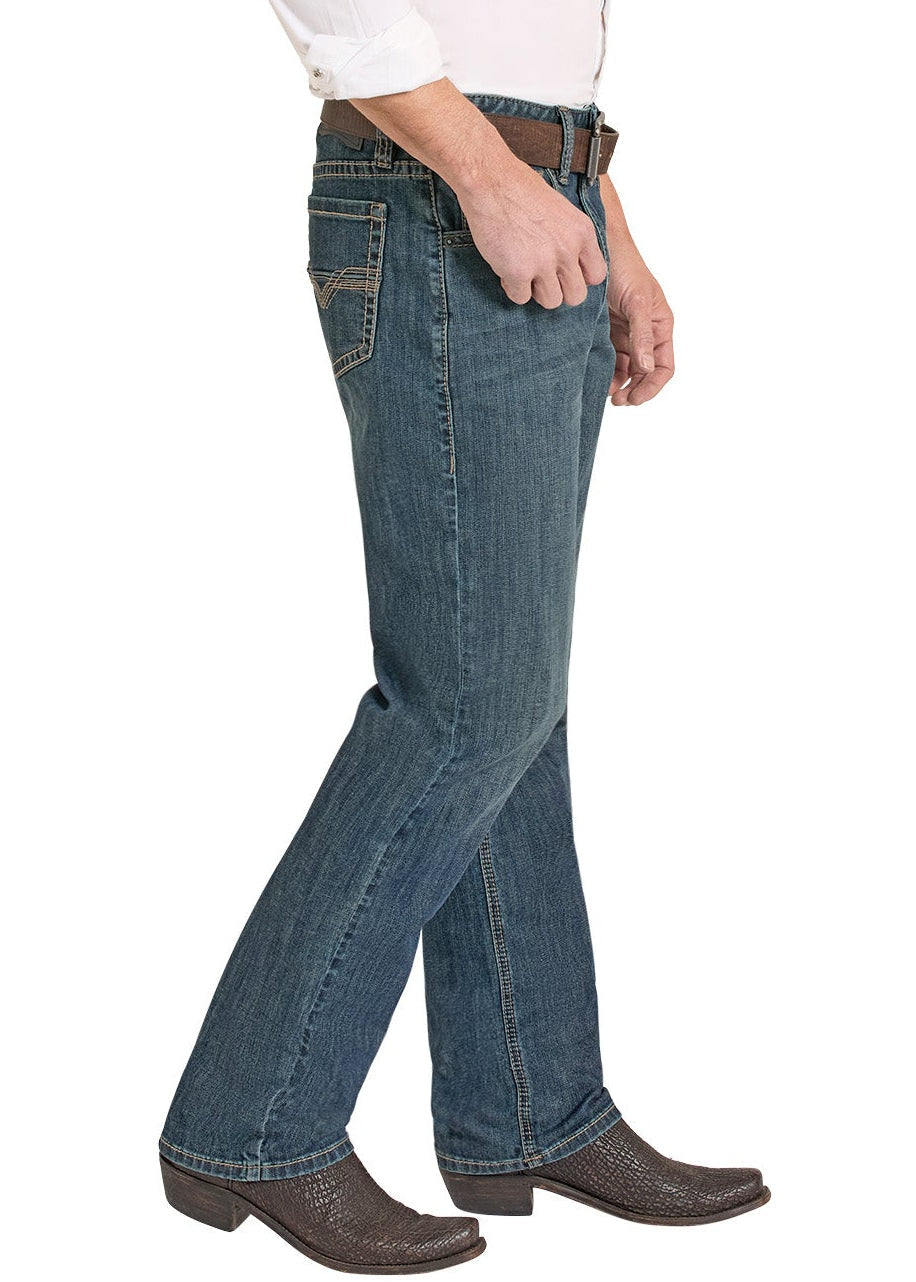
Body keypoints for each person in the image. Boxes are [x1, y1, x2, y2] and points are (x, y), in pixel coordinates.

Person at [157, 2, 770, 1272]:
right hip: (444, 198)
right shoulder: (467, 181)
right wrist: (492, 178)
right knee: (467, 703)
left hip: (538, 191)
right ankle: (249, 1122)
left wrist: (610, 232)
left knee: (515, 697)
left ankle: (531, 1109)